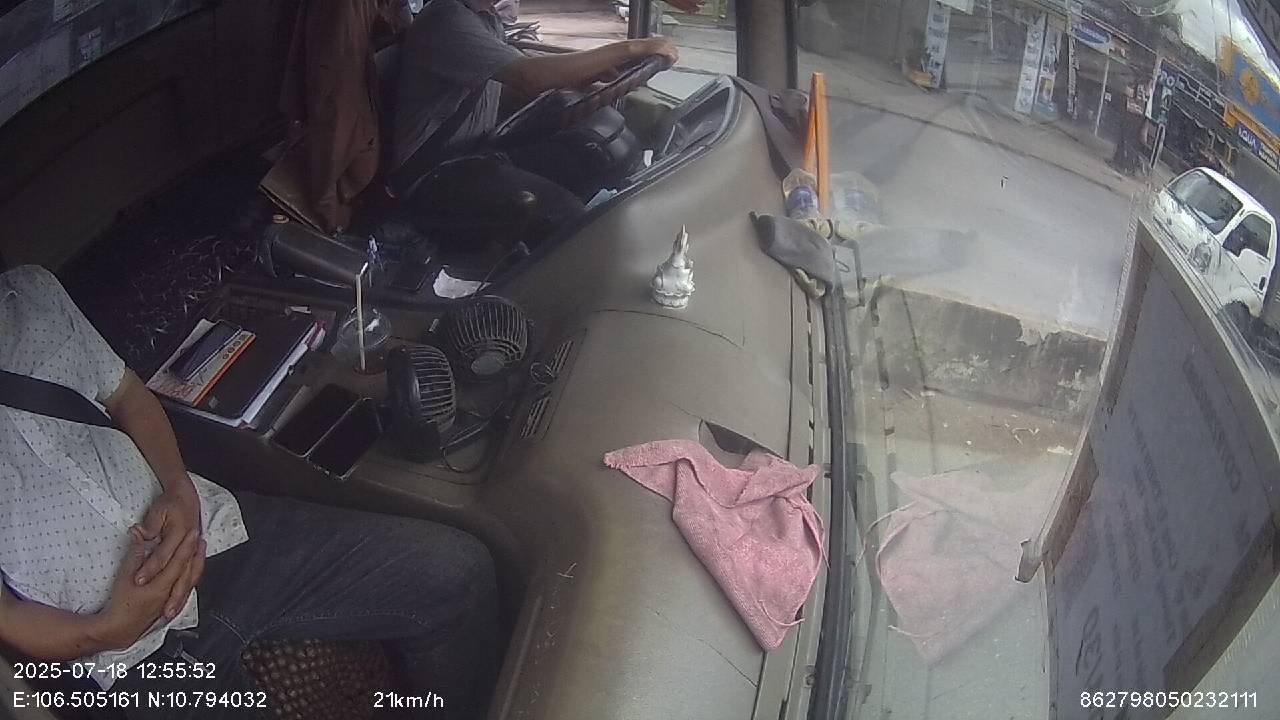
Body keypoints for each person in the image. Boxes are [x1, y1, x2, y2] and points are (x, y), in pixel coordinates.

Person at [0, 265, 498, 719]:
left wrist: (178, 487)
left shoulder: (31, 294)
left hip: (218, 536)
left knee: (458, 572)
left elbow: (126, 394)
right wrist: (106, 632)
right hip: (126, 655)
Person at [392, 0, 687, 181]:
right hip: (429, 174)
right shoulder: (446, 20)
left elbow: (503, 91)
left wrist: (585, 75)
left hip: (470, 151)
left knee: (583, 159)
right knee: (566, 213)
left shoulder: (485, 19)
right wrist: (631, 48)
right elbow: (527, 76)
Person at [279, 0, 414, 234]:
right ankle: (330, 218)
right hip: (341, 53)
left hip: (345, 50)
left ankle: (329, 210)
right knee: (337, 121)